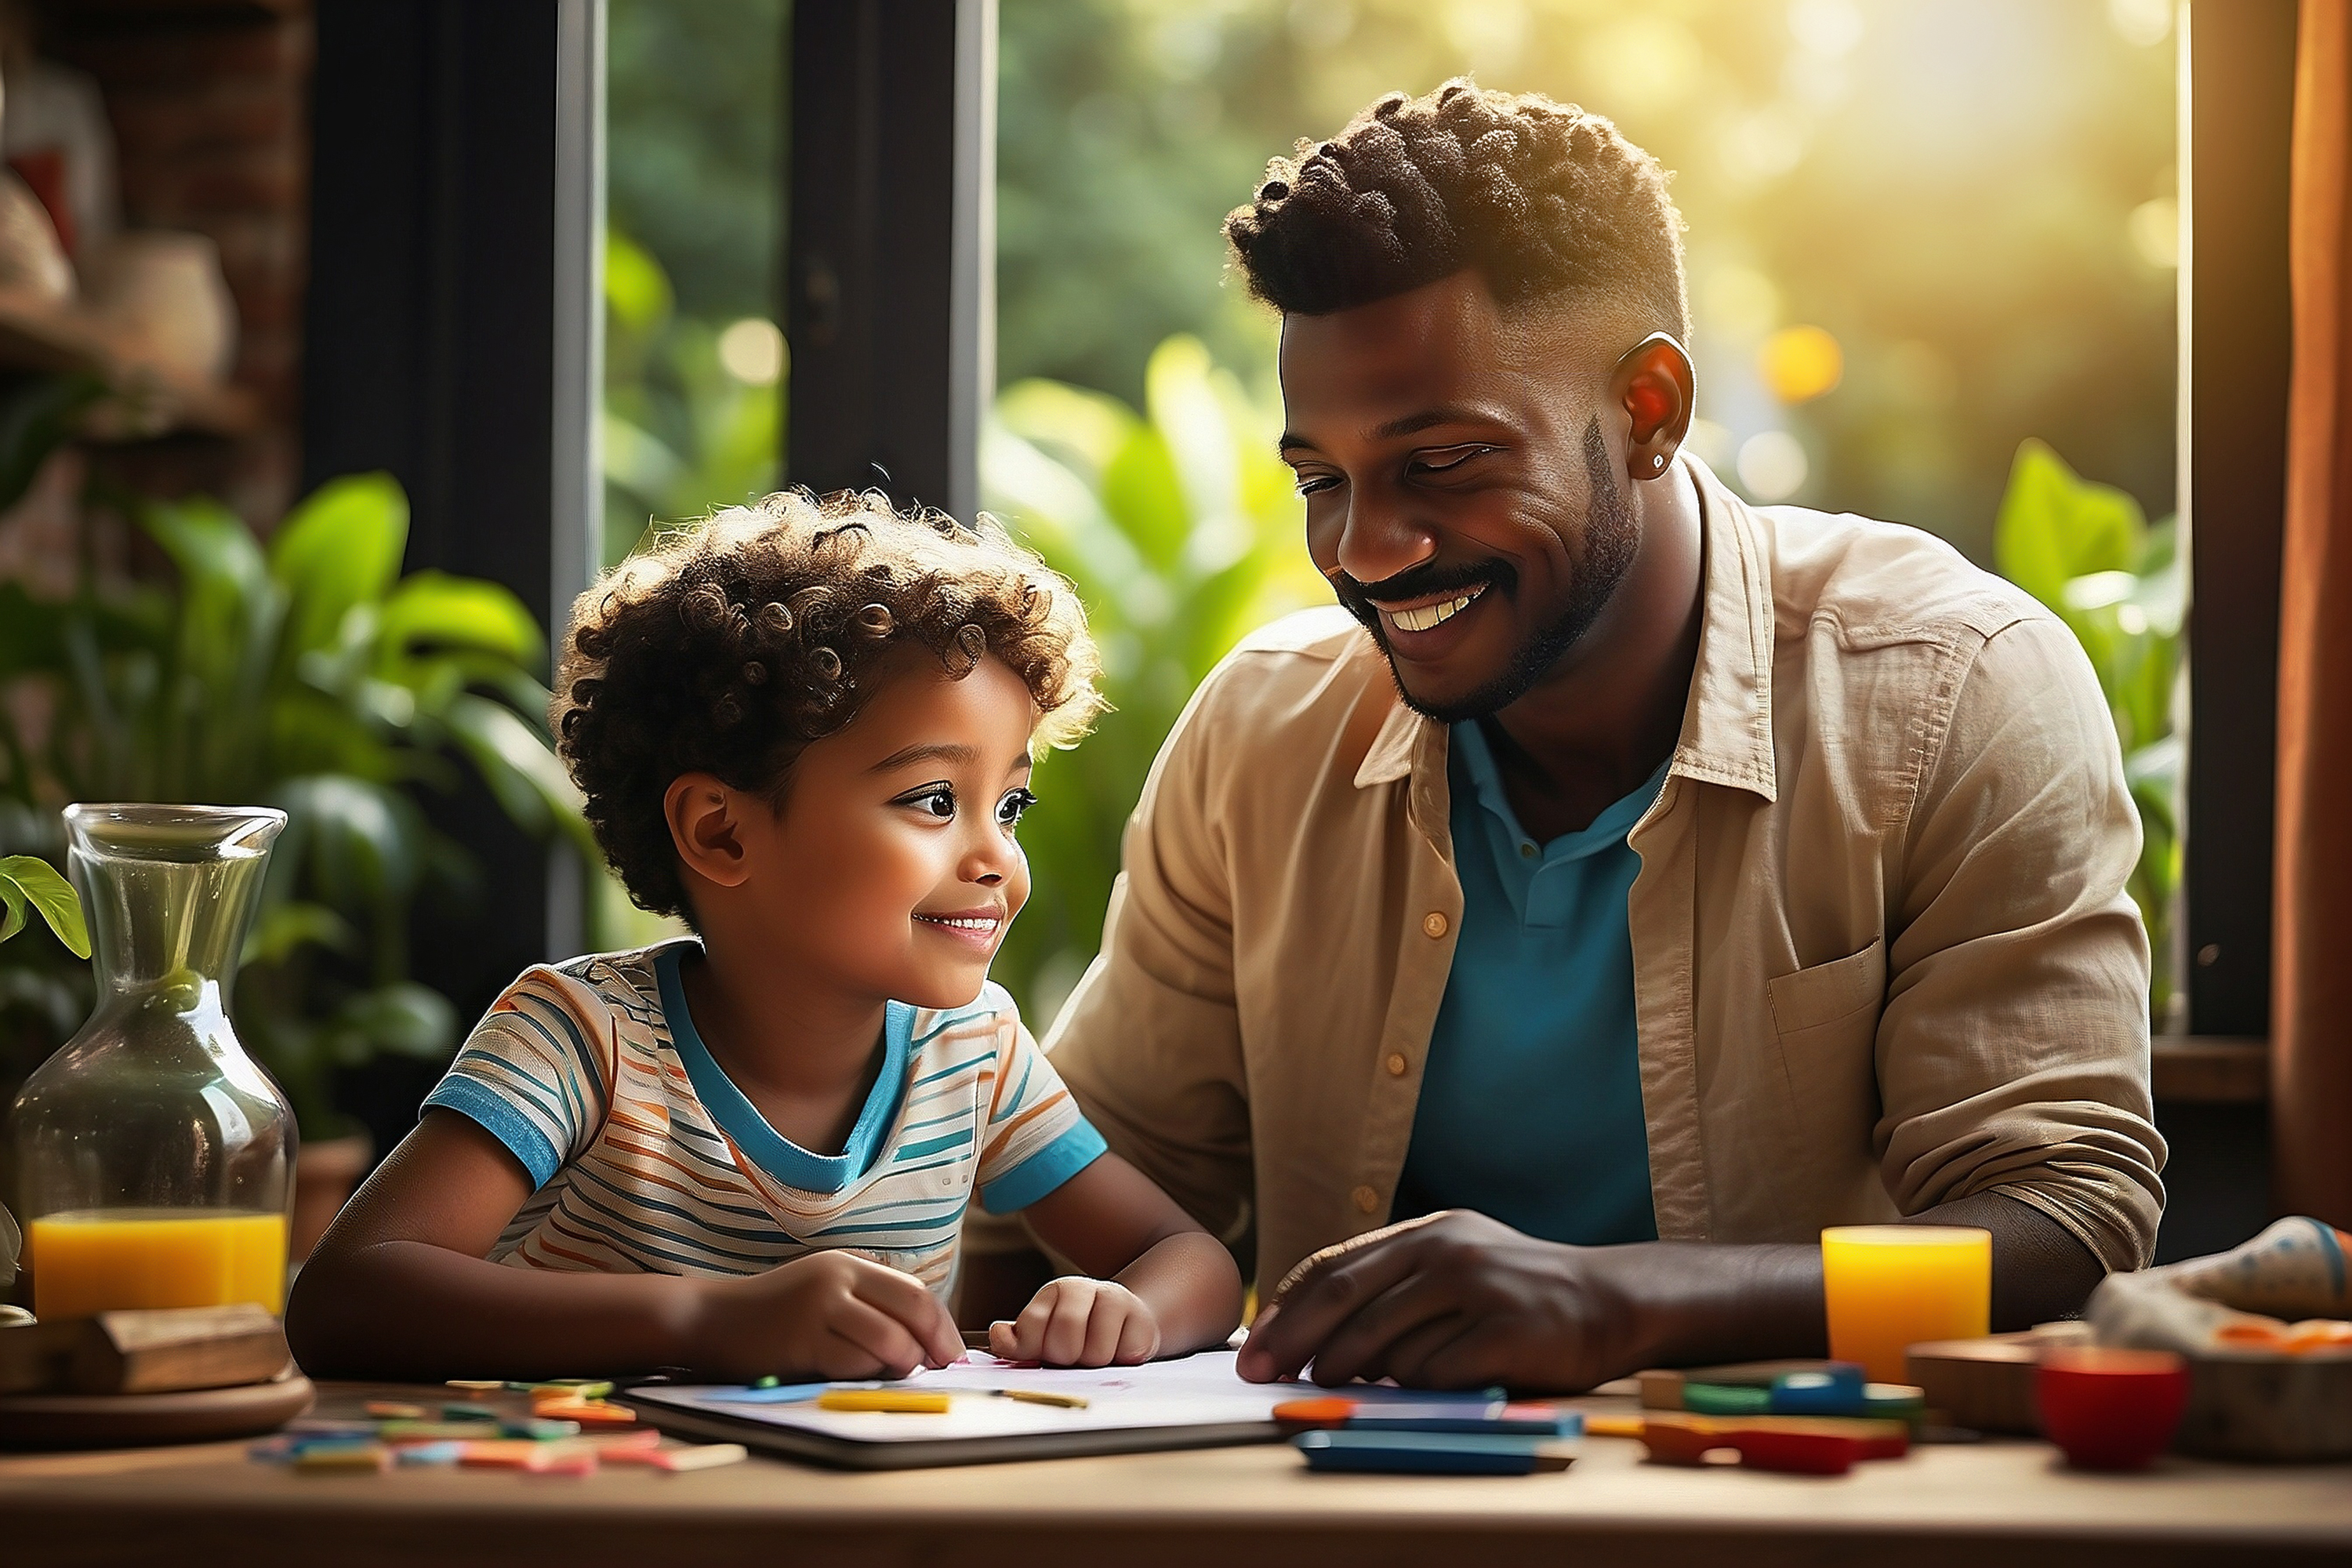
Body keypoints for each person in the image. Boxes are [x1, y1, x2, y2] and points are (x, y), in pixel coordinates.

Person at [961, 81, 2163, 1392]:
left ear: (1648, 410)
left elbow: (2060, 1231)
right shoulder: (1262, 736)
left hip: (1787, 1506)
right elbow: (1074, 1208)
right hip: (1337, 1507)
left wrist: (1625, 1305)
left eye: (1445, 461)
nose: (1363, 549)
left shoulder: (1951, 693)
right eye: (1323, 479)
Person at [287, 491, 1243, 1382]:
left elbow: (1186, 1256)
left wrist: (1127, 1310)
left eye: (1012, 802)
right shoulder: (582, 1038)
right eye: (935, 800)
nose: (998, 856)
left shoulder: (975, 1053)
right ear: (722, 831)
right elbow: (346, 1293)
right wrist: (710, 1321)